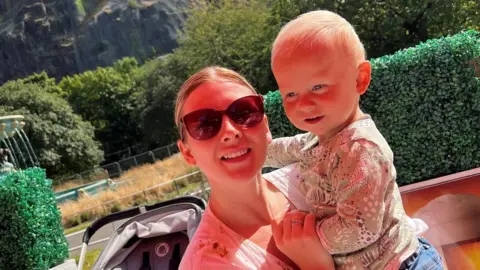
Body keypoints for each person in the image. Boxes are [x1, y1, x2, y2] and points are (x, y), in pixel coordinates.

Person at [264, 10, 444, 270]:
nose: (303, 104)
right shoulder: (317, 140)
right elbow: (285, 149)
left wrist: (307, 237)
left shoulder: (361, 149)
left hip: (404, 264)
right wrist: (258, 149)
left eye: (318, 87)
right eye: (290, 94)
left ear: (360, 79)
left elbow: (360, 227)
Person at [176, 66, 334, 269]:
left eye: (243, 112)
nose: (230, 131)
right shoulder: (204, 263)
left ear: (266, 127)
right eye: (205, 124)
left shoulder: (315, 179)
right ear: (187, 152)